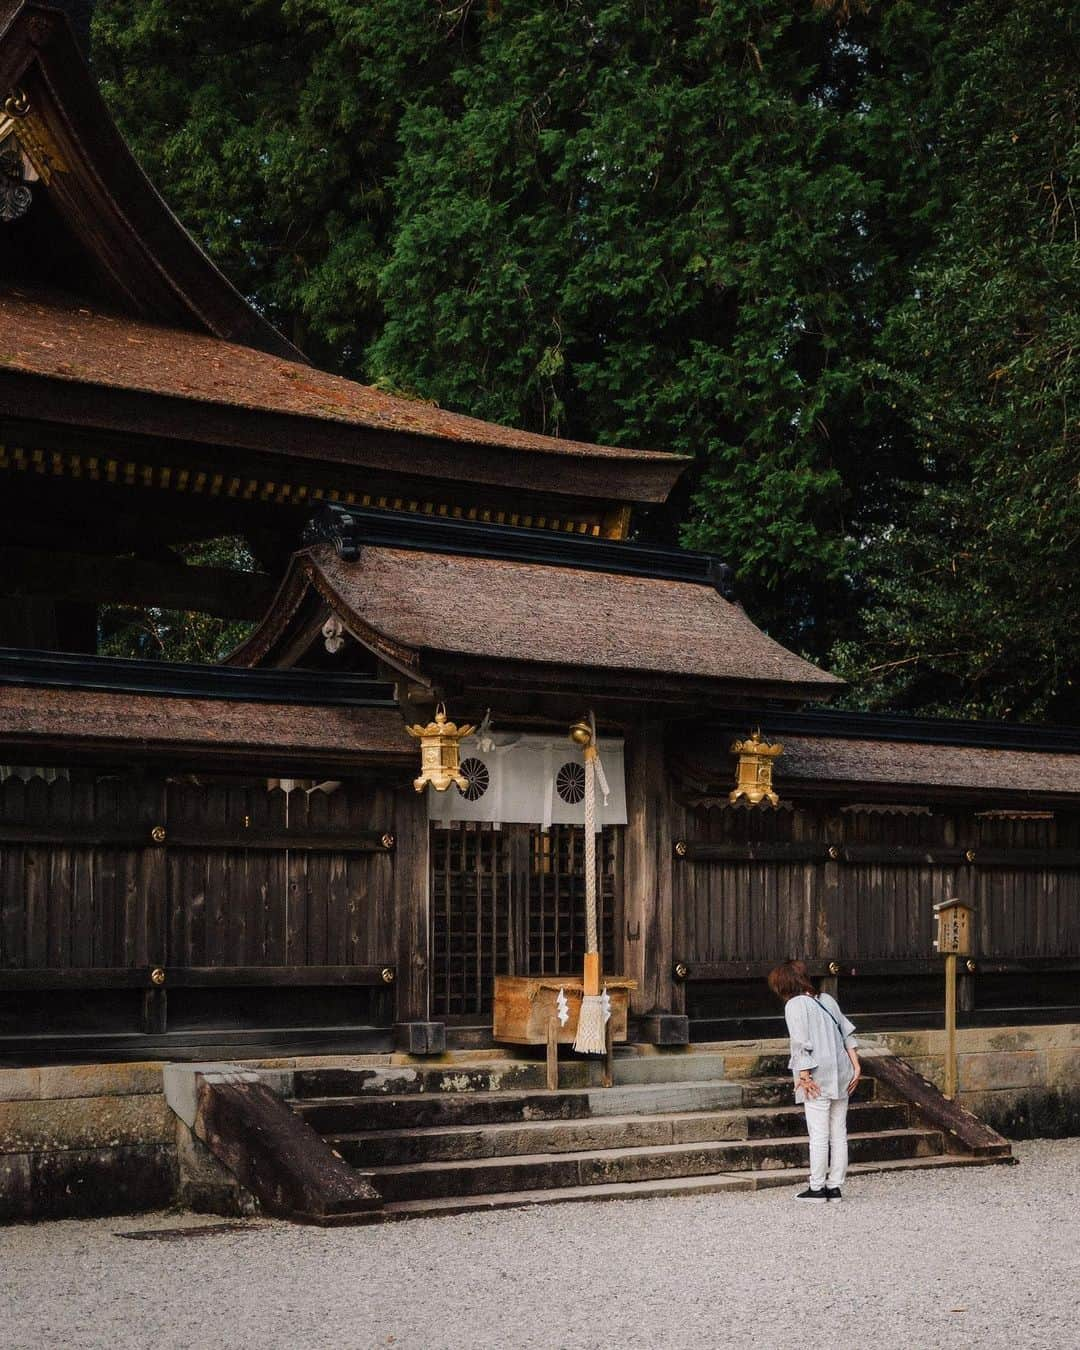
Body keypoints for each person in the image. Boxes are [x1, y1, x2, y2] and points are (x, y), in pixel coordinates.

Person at [767, 959, 861, 1201]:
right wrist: (856, 1066)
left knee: (819, 1133)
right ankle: (835, 1186)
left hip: (818, 1072)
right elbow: (846, 1033)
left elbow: (800, 1042)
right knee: (838, 1131)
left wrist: (804, 1075)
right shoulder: (826, 999)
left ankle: (817, 1187)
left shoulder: (795, 1005)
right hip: (842, 1070)